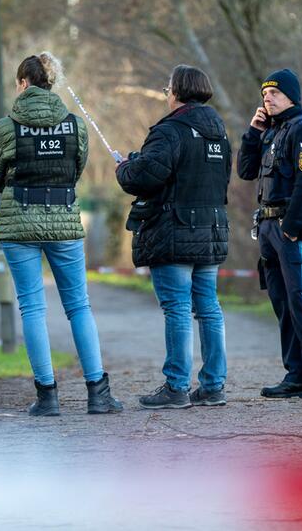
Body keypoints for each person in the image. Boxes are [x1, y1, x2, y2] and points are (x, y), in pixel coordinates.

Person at [0, 52, 123, 416]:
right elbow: (76, 170)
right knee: (78, 306)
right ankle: (98, 393)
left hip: (19, 222)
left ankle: (47, 397)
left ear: (23, 83)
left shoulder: (5, 127)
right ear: (51, 82)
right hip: (63, 218)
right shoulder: (75, 125)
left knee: (32, 307)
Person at [116, 65, 231, 409]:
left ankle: (176, 387)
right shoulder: (220, 132)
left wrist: (125, 167)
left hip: (175, 231)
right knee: (209, 309)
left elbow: (145, 177)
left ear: (178, 91)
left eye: (168, 88)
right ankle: (213, 386)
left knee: (177, 309)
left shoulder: (171, 131)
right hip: (212, 230)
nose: (166, 93)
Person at [237, 68, 302, 398]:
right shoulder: (271, 132)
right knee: (282, 303)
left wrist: (292, 229)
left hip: (290, 229)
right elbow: (246, 170)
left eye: (275, 93)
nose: (267, 98)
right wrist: (253, 133)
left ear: (292, 96)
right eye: (265, 94)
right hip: (267, 229)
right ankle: (297, 375)